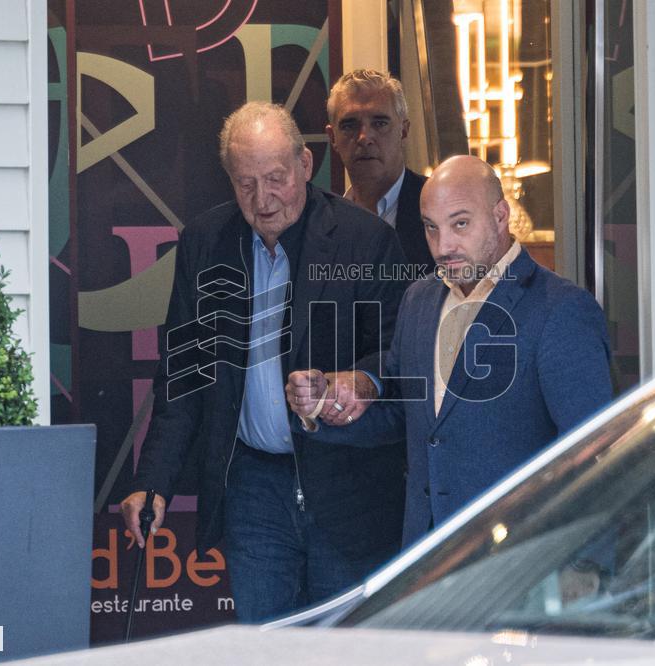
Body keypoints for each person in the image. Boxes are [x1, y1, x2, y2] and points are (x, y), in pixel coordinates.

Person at [122, 102, 408, 622]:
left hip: (347, 485)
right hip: (253, 487)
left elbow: (399, 353)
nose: (263, 198)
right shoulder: (206, 244)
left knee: (346, 648)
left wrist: (356, 382)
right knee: (267, 644)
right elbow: (183, 375)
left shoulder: (365, 240)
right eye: (245, 183)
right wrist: (154, 479)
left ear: (305, 164)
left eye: (275, 178)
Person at [287, 155, 613, 546]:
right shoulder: (419, 300)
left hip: (521, 560)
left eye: (460, 224)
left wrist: (587, 564)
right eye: (431, 228)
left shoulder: (560, 309)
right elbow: (404, 416)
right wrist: (324, 408)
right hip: (426, 555)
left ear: (500, 215)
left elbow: (597, 452)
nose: (444, 247)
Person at [326, 69, 434, 273]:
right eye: (350, 125)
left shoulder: (439, 208)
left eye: (380, 123)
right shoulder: (322, 223)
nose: (364, 137)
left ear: (404, 130)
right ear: (332, 137)